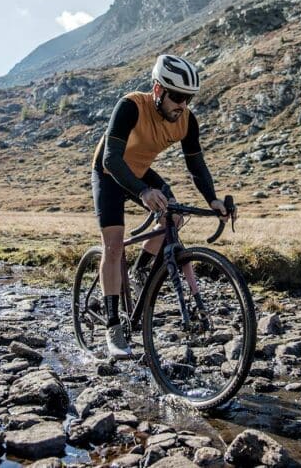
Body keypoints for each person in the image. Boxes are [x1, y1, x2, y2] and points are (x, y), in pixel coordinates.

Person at [91, 54, 229, 358]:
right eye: (177, 96)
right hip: (109, 172)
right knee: (113, 247)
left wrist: (213, 199)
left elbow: (196, 164)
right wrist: (142, 193)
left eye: (189, 98)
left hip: (140, 171)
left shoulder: (186, 120)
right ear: (157, 90)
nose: (182, 105)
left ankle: (140, 271)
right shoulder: (130, 106)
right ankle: (113, 328)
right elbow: (111, 159)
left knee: (174, 216)